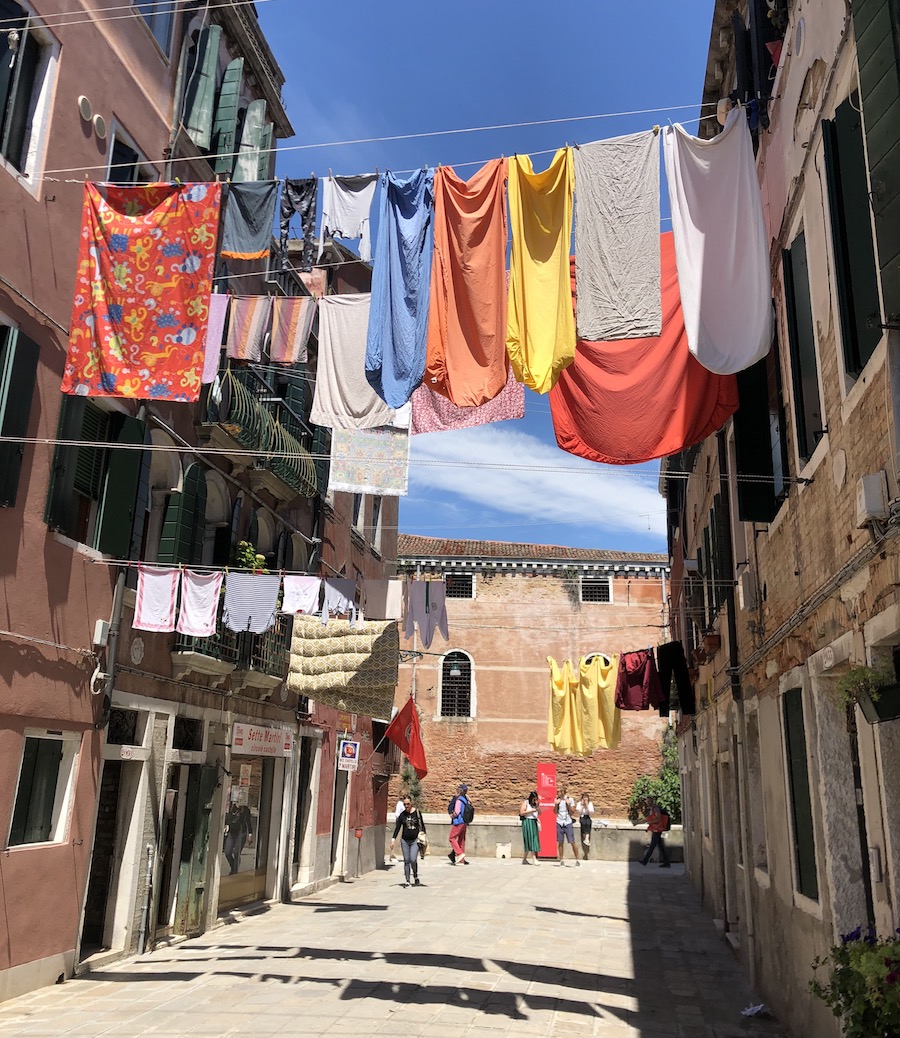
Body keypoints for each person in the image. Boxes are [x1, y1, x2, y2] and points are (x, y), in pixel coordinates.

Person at [390, 795, 426, 887]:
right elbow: (397, 828)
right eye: (405, 804)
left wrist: (424, 838)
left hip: (415, 840)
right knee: (406, 860)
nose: (406, 806)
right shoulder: (402, 815)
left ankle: (415, 875)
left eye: (408, 804)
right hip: (404, 840)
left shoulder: (417, 813)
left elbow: (422, 826)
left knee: (413, 859)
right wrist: (393, 840)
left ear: (411, 803)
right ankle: (407, 880)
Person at [223, 799, 254, 875]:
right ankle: (233, 866)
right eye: (238, 800)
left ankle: (234, 871)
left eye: (241, 800)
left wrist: (250, 834)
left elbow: (248, 822)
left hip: (241, 833)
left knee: (237, 852)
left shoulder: (245, 810)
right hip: (231, 832)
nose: (239, 802)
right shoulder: (232, 807)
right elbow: (228, 819)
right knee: (227, 852)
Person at [640, 798, 671, 868]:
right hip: (655, 829)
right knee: (661, 847)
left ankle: (645, 860)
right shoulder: (651, 809)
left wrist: (650, 822)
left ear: (651, 801)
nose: (647, 803)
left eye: (648, 801)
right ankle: (667, 862)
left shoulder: (655, 809)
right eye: (646, 801)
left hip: (658, 829)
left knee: (652, 845)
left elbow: (658, 819)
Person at [554, 785, 580, 866]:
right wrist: (556, 805)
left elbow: (573, 811)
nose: (557, 792)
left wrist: (568, 804)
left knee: (572, 841)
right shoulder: (557, 800)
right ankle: (561, 860)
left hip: (568, 822)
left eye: (558, 791)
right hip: (559, 822)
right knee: (560, 842)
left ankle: (577, 859)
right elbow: (555, 812)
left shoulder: (570, 799)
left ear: (562, 792)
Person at [448, 783, 471, 865]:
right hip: (464, 822)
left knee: (451, 838)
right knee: (461, 840)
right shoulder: (466, 800)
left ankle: (459, 853)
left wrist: (452, 815)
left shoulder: (458, 800)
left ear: (458, 793)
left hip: (458, 822)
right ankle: (462, 860)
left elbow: (457, 812)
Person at [519, 790, 541, 865]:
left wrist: (538, 807)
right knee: (530, 839)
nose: (535, 800)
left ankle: (524, 859)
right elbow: (521, 812)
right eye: (534, 799)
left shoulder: (535, 804)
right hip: (527, 821)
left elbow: (540, 813)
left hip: (534, 821)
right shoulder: (526, 803)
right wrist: (531, 811)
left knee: (534, 839)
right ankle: (534, 858)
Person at [577, 792, 595, 860]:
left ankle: (586, 839)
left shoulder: (590, 804)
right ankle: (586, 839)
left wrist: (587, 806)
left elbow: (591, 812)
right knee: (583, 823)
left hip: (588, 816)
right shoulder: (579, 804)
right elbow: (579, 813)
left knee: (588, 823)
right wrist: (582, 805)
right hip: (582, 817)